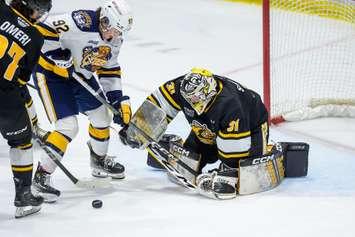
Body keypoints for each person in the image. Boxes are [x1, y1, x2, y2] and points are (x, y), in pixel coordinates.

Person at [31, 0, 133, 202]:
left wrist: (117, 100)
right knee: (68, 126)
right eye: (114, 29)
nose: (116, 36)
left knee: (102, 117)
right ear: (104, 20)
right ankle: (41, 177)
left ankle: (99, 161)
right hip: (50, 75)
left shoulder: (114, 39)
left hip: (78, 75)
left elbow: (109, 68)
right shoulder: (81, 22)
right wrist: (56, 56)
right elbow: (40, 30)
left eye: (121, 32)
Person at [120, 67, 270, 199]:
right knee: (187, 162)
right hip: (207, 126)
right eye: (188, 98)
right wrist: (137, 130)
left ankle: (243, 162)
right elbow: (158, 105)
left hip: (252, 126)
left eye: (196, 98)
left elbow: (235, 149)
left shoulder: (230, 104)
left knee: (246, 173)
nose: (191, 102)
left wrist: (230, 172)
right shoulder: (180, 88)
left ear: (208, 91)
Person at [0, 0, 52, 218]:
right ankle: (23, 196)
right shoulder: (35, 37)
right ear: (33, 9)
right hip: (5, 96)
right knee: (21, 143)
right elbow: (22, 80)